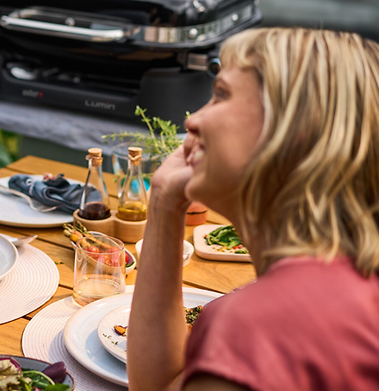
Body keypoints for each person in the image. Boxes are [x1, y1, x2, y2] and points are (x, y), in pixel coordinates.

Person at [127, 27, 379, 390]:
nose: (192, 121)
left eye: (220, 94)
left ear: (292, 132)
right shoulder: (352, 279)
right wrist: (165, 200)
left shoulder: (257, 327)